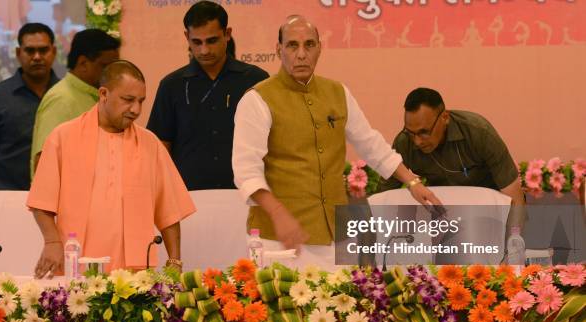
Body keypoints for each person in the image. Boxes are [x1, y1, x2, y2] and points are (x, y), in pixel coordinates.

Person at [232, 15, 439, 268]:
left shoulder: (338, 92)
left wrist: (413, 182)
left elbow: (370, 143)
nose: (301, 54)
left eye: (309, 45)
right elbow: (246, 171)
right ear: (278, 50)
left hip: (336, 236)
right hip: (278, 239)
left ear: (320, 48)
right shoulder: (257, 100)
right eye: (292, 45)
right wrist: (278, 214)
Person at [27, 60, 196, 278]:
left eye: (141, 101)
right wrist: (51, 241)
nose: (136, 109)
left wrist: (174, 261)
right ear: (104, 93)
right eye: (128, 100)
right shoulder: (63, 137)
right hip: (76, 265)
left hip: (134, 274)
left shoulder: (150, 143)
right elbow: (41, 201)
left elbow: (169, 210)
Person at [378, 87, 526, 261]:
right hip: (443, 220)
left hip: (490, 217)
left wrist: (511, 247)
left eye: (424, 132)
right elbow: (382, 198)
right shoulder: (405, 143)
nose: (417, 141)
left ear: (445, 118)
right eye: (411, 133)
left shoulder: (478, 132)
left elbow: (515, 198)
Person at [147, 1, 268, 190]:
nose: (204, 50)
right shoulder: (171, 85)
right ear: (187, 37)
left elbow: (270, 141)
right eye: (196, 42)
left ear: (227, 34)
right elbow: (160, 147)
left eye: (212, 40)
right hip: (187, 198)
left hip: (246, 195)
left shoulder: (255, 80)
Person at [0, 23, 58, 190]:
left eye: (43, 50)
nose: (37, 57)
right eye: (29, 50)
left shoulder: (65, 96)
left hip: (56, 199)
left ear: (54, 52)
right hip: (6, 197)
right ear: (18, 53)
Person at [30, 28, 120, 177]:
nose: (112, 73)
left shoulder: (97, 95)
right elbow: (43, 163)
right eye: (105, 66)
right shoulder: (61, 99)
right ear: (83, 63)